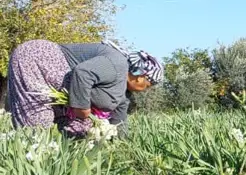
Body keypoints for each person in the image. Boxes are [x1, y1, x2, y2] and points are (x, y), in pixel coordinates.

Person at [6, 39, 163, 138]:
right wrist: (82, 107)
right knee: (37, 125)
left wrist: (123, 145)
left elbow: (119, 123)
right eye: (148, 86)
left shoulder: (123, 94)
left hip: (59, 84)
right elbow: (83, 73)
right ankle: (26, 172)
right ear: (141, 76)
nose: (146, 90)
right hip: (37, 59)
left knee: (83, 130)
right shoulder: (117, 64)